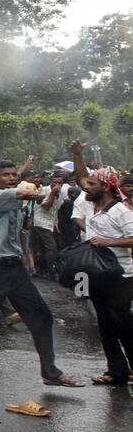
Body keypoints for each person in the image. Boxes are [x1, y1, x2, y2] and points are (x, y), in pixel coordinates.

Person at [0, 151, 82, 386]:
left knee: (42, 317)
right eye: (5, 175)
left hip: (13, 266)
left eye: (13, 174)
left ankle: (50, 372)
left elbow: (19, 189)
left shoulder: (10, 192)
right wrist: (47, 190)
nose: (10, 177)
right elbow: (22, 192)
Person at [78, 163, 133, 385]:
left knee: (121, 321)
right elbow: (81, 176)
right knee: (105, 323)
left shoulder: (121, 212)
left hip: (121, 276)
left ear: (106, 187)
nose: (86, 188)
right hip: (98, 276)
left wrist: (107, 242)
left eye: (92, 184)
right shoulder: (92, 209)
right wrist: (76, 155)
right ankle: (116, 371)